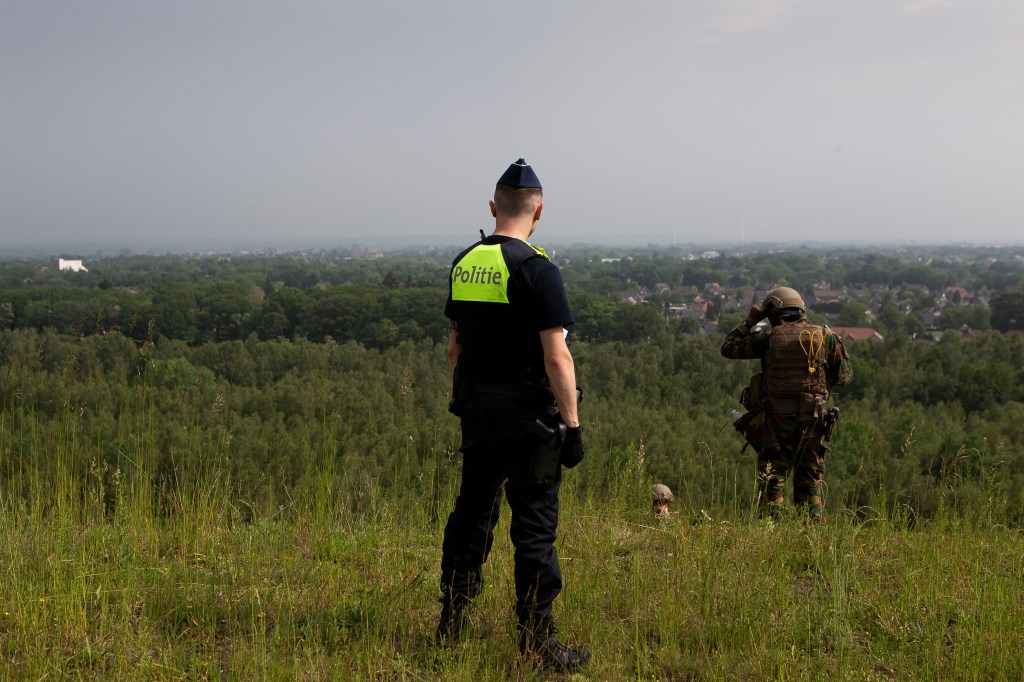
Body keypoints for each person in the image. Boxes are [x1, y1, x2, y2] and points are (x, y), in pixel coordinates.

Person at [436, 158, 590, 672]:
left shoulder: (464, 263)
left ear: (492, 207)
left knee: (472, 513)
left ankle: (452, 621)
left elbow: (455, 346)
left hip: (478, 409)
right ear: (539, 211)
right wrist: (572, 424)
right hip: (528, 417)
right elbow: (557, 356)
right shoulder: (537, 269)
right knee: (534, 526)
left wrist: (464, 396)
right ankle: (537, 643)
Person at [721, 287, 853, 522]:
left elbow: (729, 347)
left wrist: (750, 320)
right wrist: (816, 386)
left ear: (773, 312)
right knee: (810, 481)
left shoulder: (769, 338)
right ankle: (811, 538)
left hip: (775, 423)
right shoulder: (825, 336)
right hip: (812, 420)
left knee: (772, 480)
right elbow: (845, 376)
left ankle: (771, 536)